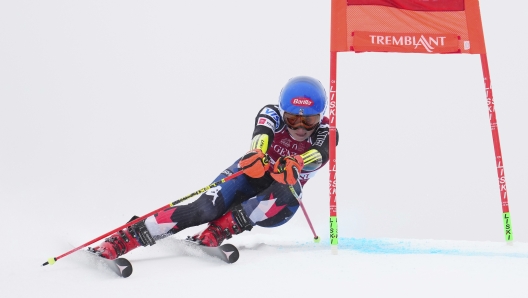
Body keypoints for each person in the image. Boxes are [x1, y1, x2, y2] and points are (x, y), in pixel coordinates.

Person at [89, 76, 339, 260]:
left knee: (288, 185)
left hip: (278, 204)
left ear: (321, 115)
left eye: (309, 119)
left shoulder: (328, 132)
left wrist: (297, 163)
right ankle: (126, 238)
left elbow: (320, 153)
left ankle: (221, 229)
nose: (300, 127)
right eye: (292, 118)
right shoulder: (271, 113)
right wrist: (257, 154)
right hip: (250, 175)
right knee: (204, 208)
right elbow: (262, 133)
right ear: (283, 111)